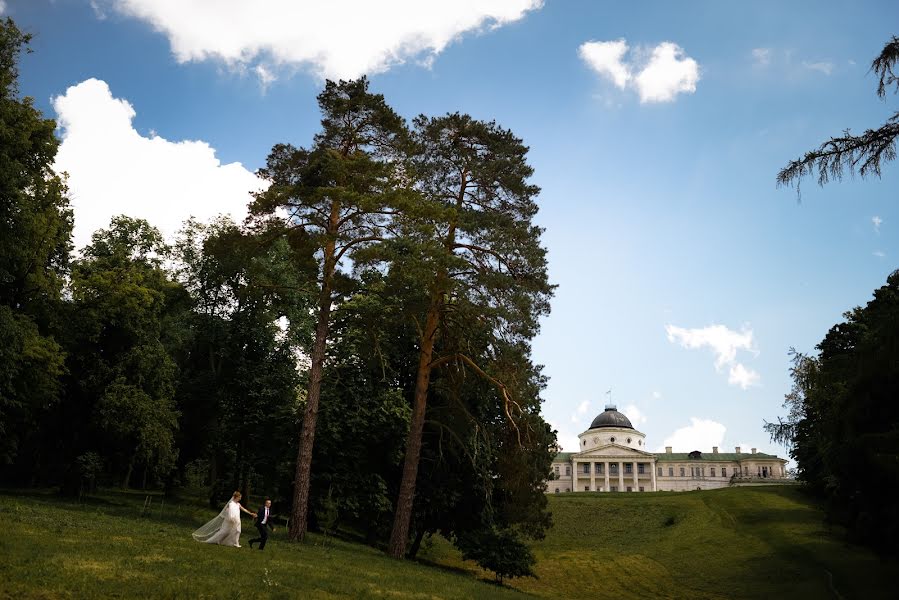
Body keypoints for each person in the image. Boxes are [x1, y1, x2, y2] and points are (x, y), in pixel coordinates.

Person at [192, 491, 257, 547]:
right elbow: (228, 512)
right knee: (224, 532)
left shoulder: (238, 504)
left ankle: (236, 543)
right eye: (239, 497)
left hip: (237, 520)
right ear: (236, 497)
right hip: (230, 520)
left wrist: (251, 513)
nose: (240, 498)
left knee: (238, 531)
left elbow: (244, 509)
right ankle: (215, 540)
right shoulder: (231, 504)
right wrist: (231, 518)